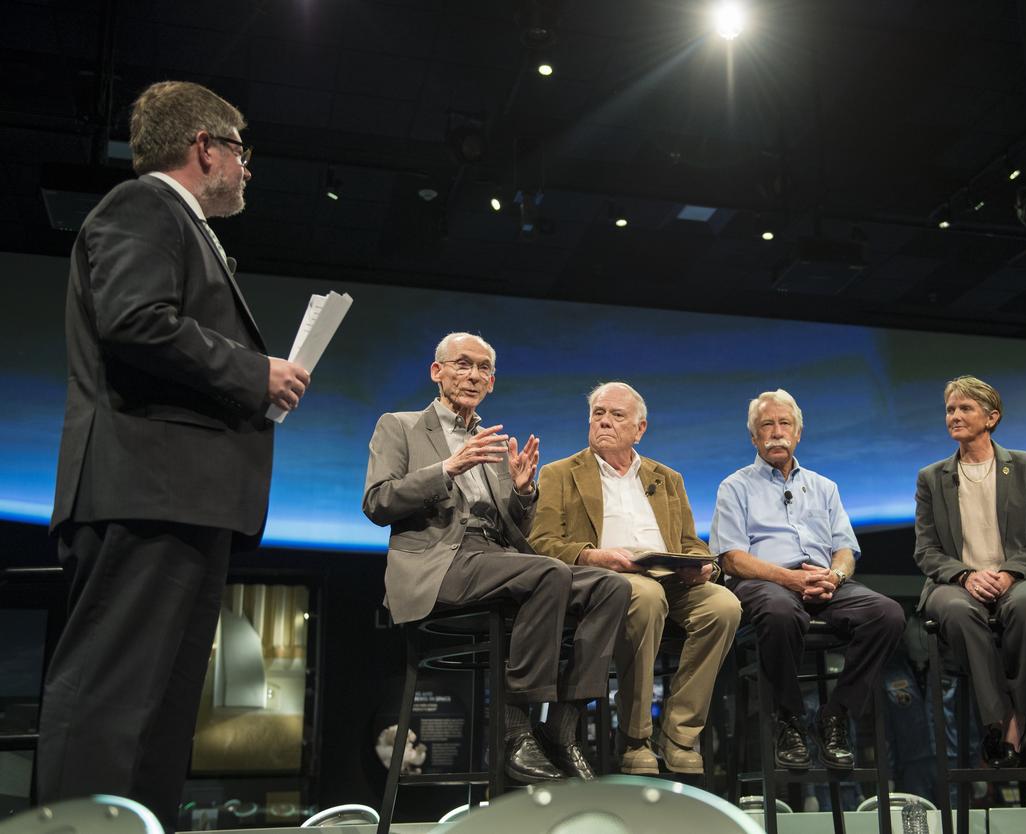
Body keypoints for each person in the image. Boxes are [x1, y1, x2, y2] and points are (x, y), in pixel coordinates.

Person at [37, 81, 311, 830]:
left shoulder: (181, 224)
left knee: (158, 712)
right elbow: (135, 321)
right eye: (241, 152)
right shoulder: (144, 205)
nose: (246, 169)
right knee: (111, 699)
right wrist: (254, 373)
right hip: (144, 491)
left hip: (182, 498)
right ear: (204, 148)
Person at [362, 333, 629, 782]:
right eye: (463, 364)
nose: (473, 375)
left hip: (495, 557)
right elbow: (377, 502)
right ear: (437, 372)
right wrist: (447, 468)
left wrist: (522, 494)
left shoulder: (490, 443)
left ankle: (561, 727)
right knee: (548, 574)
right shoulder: (400, 426)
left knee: (610, 587)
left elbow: (514, 532)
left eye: (483, 368)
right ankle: (516, 731)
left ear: (492, 382)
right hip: (440, 562)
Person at [529, 382, 741, 775]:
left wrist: (702, 565)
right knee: (646, 596)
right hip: (607, 581)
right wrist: (593, 556)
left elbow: (690, 542)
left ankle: (679, 734)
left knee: (724, 606)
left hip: (671, 578)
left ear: (639, 429)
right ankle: (635, 739)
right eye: (598, 414)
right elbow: (541, 542)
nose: (604, 421)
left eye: (616, 415)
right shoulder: (559, 473)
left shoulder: (668, 478)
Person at [711, 389, 905, 770]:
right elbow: (731, 558)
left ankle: (836, 715)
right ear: (754, 437)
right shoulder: (734, 487)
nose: (776, 432)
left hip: (822, 582)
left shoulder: (824, 487)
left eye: (784, 423)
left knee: (888, 615)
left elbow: (845, 549)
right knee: (781, 612)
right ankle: (789, 720)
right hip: (765, 584)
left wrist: (835, 576)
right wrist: (790, 579)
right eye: (767, 425)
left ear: (798, 433)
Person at [912, 376, 1026, 768]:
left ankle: (1016, 715)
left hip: (1023, 579)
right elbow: (926, 551)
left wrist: (1009, 574)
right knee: (958, 611)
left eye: (965, 408)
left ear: (991, 418)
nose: (955, 416)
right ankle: (1002, 719)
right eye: (950, 409)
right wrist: (965, 576)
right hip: (956, 583)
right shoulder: (931, 478)